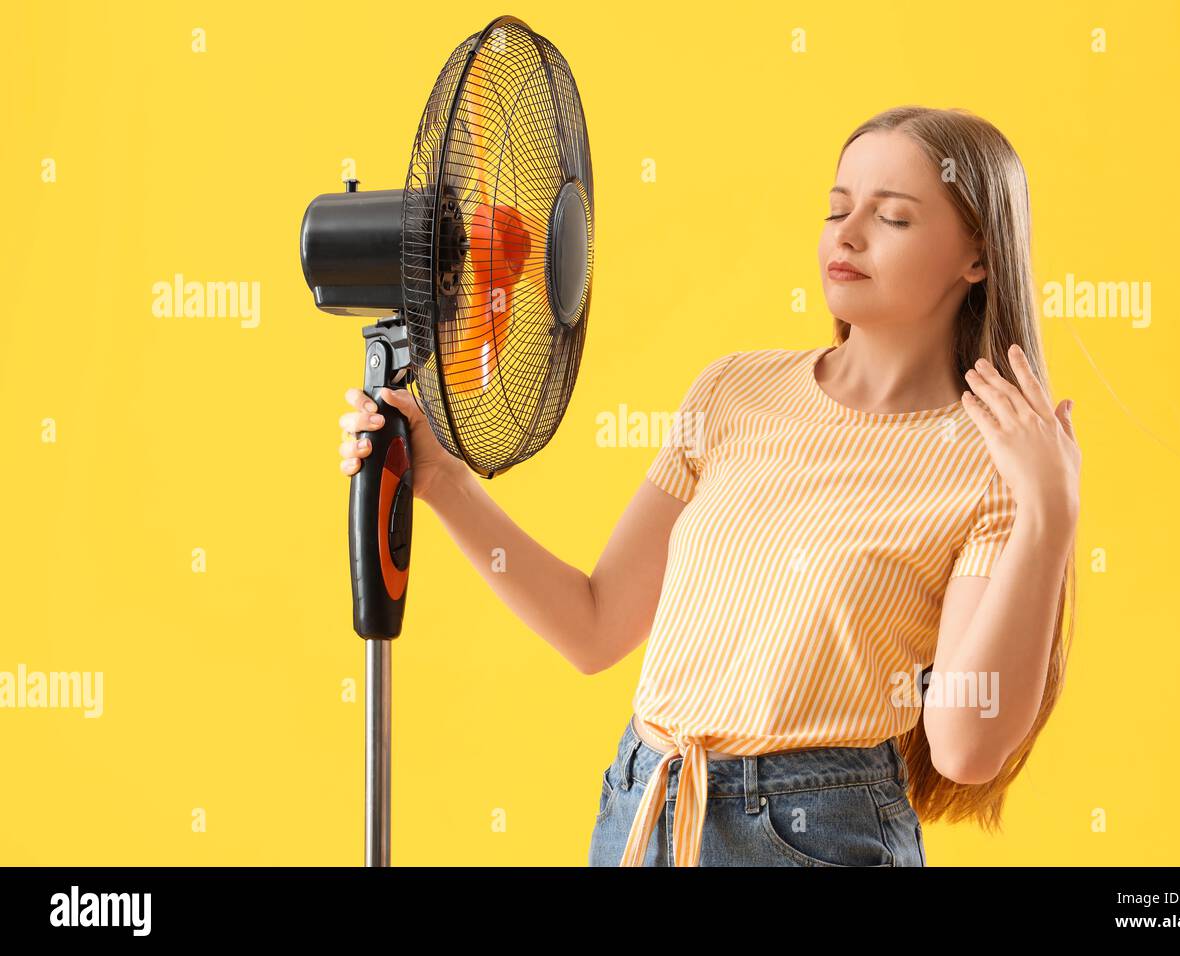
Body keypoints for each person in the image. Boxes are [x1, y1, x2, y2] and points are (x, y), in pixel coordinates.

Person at [336, 105, 1082, 867]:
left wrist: (1049, 517)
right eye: (837, 208)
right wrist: (441, 478)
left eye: (892, 218)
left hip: (812, 834)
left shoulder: (990, 465)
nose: (847, 234)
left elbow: (963, 746)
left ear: (979, 258)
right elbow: (593, 628)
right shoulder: (732, 391)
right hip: (641, 806)